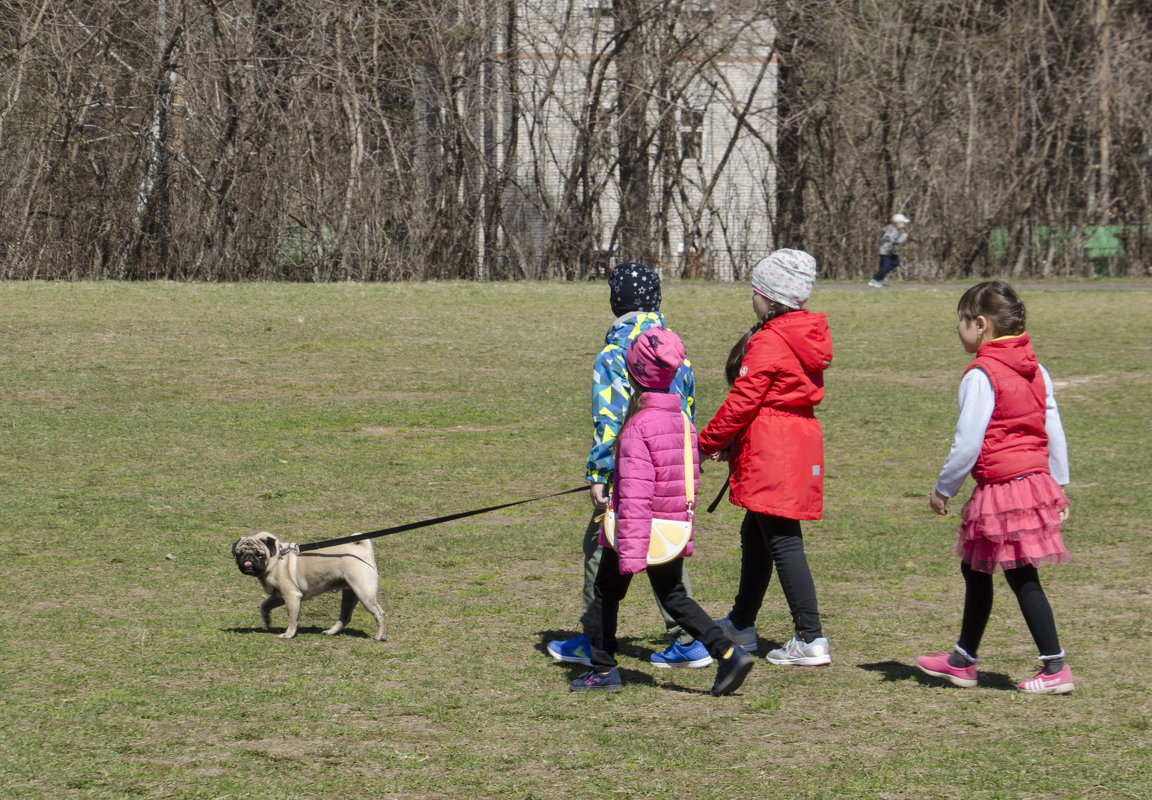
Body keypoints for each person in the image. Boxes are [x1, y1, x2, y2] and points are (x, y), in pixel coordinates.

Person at [570, 328, 756, 694]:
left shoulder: (639, 426)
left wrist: (630, 549)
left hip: (637, 527)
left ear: (635, 374)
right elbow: (688, 480)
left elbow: (638, 494)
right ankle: (728, 652)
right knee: (675, 597)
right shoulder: (683, 422)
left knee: (606, 591)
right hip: (669, 524)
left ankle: (603, 668)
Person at [547, 262, 713, 670]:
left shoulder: (613, 353)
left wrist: (600, 475)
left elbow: (610, 418)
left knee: (600, 544)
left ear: (615, 301)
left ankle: (593, 638)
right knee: (666, 542)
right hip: (674, 467)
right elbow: (687, 412)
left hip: (632, 468)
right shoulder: (675, 347)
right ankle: (690, 637)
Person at [917, 281, 1075, 694]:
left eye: (962, 322)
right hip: (1034, 482)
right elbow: (1052, 426)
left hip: (1005, 488)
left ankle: (1055, 667)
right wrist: (1058, 484)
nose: (959, 330)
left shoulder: (982, 374)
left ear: (981, 325)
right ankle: (962, 660)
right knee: (976, 568)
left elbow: (967, 440)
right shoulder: (1035, 368)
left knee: (1021, 575)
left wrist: (943, 488)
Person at [698, 250, 834, 666]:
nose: (751, 298)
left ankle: (810, 638)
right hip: (792, 441)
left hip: (774, 448)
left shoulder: (770, 339)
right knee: (757, 534)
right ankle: (741, 623)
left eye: (756, 291)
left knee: (782, 540)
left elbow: (743, 400)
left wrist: (703, 444)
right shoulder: (801, 335)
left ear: (771, 298)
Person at [868, 213, 910, 288]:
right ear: (898, 223)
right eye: (903, 222)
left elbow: (881, 235)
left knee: (895, 261)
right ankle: (875, 280)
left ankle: (880, 276)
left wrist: (884, 240)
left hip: (884, 250)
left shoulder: (888, 227)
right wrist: (903, 237)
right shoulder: (893, 230)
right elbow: (895, 242)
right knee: (885, 267)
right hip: (885, 251)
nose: (904, 224)